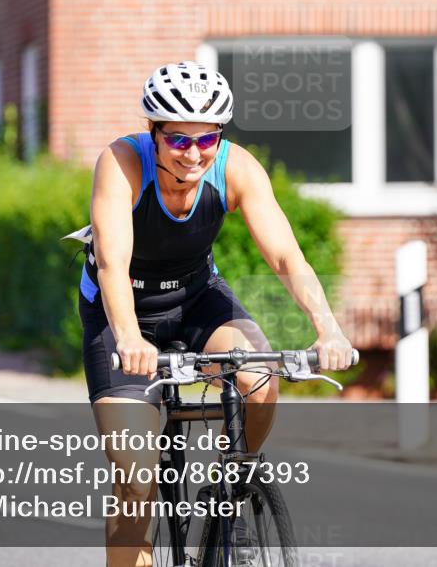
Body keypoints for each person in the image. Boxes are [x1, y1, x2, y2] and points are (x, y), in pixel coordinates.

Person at [78, 60, 354, 566]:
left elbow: (287, 257)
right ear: (154, 134)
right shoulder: (121, 164)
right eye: (179, 140)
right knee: (135, 478)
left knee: (259, 377)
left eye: (206, 140)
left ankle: (233, 488)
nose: (194, 154)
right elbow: (114, 264)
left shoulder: (237, 168)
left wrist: (328, 329)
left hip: (197, 295)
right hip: (120, 314)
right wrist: (130, 338)